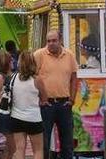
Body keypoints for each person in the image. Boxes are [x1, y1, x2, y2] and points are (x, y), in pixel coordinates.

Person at [34, 30, 77, 159]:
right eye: (48, 41)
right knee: (44, 140)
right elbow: (32, 77)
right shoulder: (39, 55)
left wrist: (72, 99)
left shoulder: (69, 55)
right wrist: (41, 98)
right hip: (46, 104)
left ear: (60, 41)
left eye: (54, 41)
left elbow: (74, 78)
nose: (51, 44)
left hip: (64, 103)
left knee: (67, 141)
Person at [8, 53, 43, 159]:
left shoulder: (13, 78)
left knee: (19, 149)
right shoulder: (37, 80)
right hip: (34, 118)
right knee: (38, 150)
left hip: (16, 118)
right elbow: (45, 97)